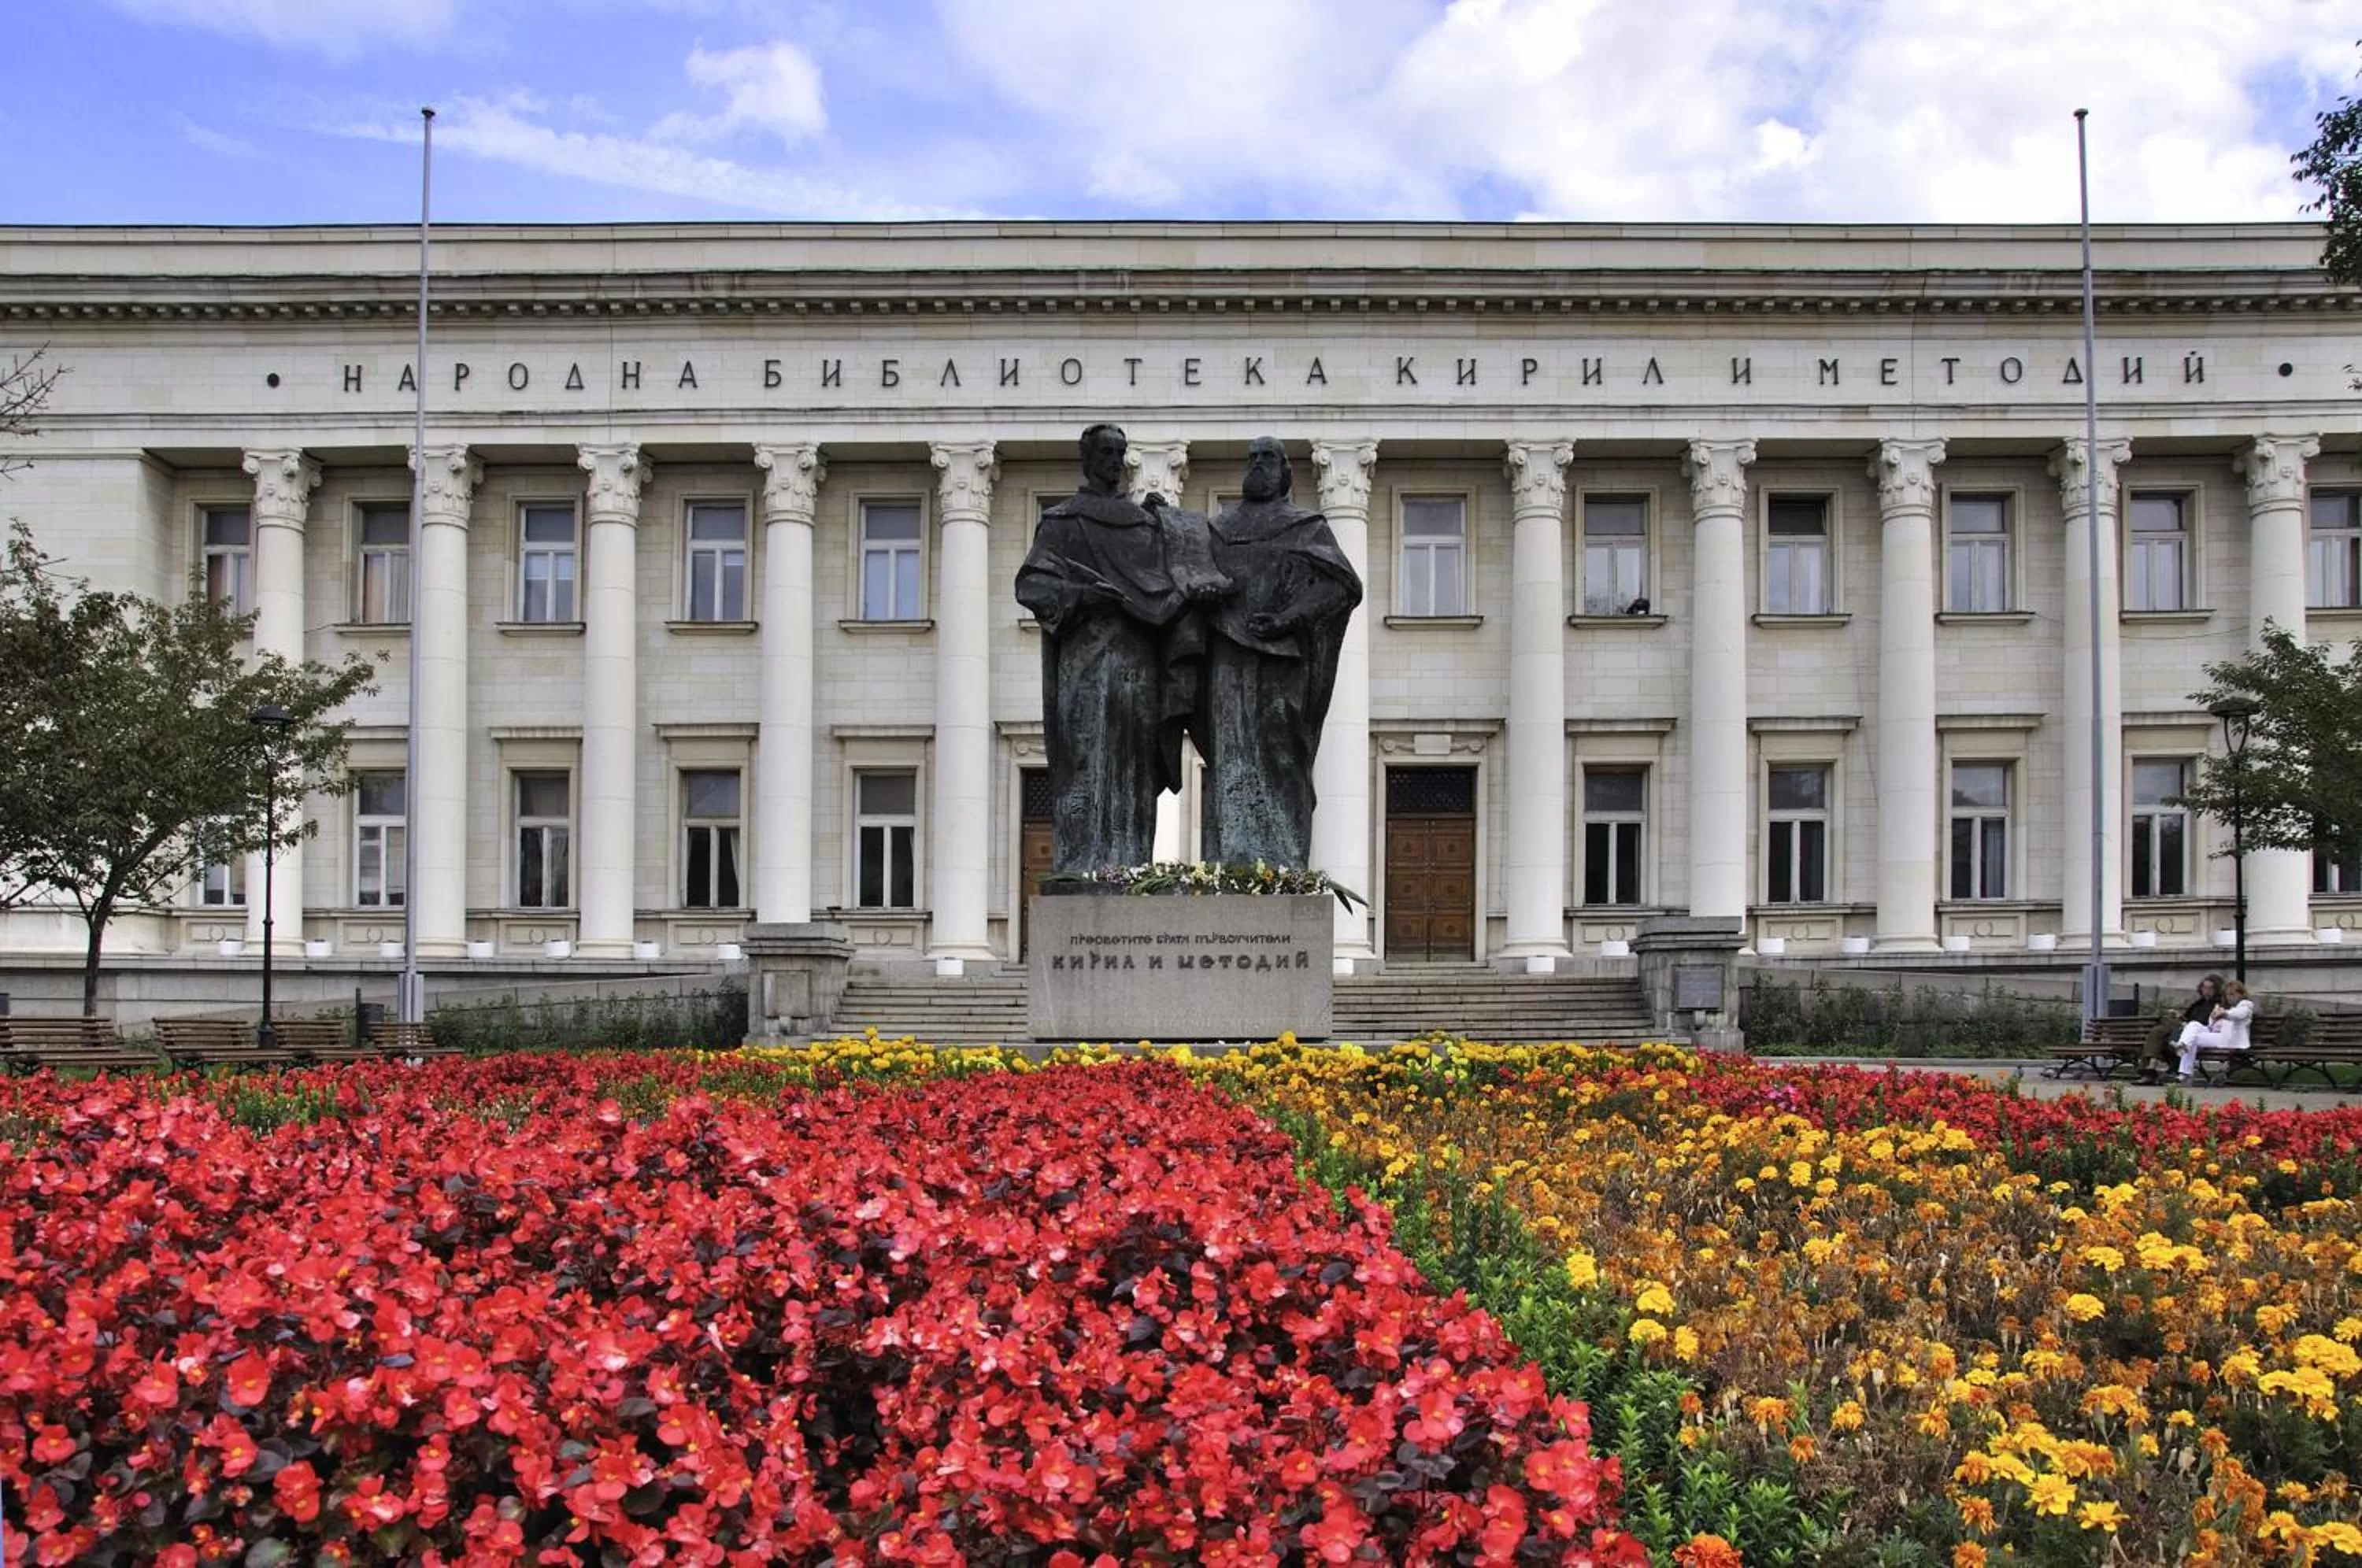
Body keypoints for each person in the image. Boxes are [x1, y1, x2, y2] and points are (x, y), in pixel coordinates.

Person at [1015, 423, 1225, 872]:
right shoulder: (1062, 521)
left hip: (1137, 662)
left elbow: (1176, 579)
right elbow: (1033, 585)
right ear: (1087, 458)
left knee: (1134, 767)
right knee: (1085, 760)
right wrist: (1082, 595)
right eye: (1105, 452)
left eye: (1119, 452)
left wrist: (1169, 526)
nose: (1114, 461)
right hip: (1085, 660)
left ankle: (1129, 867)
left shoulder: (1145, 523)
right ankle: (1080, 866)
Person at [1195, 438, 1364, 867]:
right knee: (1228, 755)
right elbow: (1191, 576)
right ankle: (1228, 861)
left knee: (1281, 752)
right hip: (1228, 658)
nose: (1257, 465)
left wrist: (1288, 618)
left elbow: (1342, 587)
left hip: (1283, 662)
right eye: (1251, 458)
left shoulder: (1305, 525)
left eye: (1267, 458)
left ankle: (1283, 862)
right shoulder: (1219, 528)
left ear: (1286, 472)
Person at [2135, 974, 2221, 1085]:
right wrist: (2179, 1016)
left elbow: (2203, 1024)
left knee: (2160, 1030)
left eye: (2211, 988)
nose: (2207, 991)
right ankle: (2150, 1068)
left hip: (2196, 1034)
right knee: (2159, 1030)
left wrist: (2183, 1022)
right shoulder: (2199, 1003)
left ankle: (2150, 1069)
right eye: (2205, 988)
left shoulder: (2218, 1005)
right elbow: (2188, 1018)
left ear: (2217, 989)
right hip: (2183, 1030)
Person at [2171, 978, 2254, 1084]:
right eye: (2228, 995)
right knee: (2193, 1025)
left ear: (2241, 994)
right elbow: (2211, 1025)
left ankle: (2185, 1074)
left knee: (2194, 1040)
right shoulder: (2224, 1006)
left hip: (2230, 1039)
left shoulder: (2246, 1006)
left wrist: (2223, 1014)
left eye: (2232, 994)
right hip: (2217, 1035)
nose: (2230, 997)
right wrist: (2214, 1017)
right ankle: (2182, 1045)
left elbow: (2238, 1015)